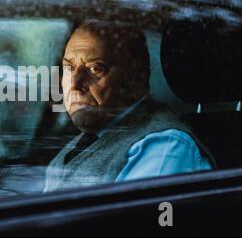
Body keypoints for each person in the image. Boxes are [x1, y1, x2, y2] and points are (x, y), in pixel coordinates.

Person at [44, 21, 214, 192]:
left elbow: (140, 218)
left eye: (95, 68)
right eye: (69, 68)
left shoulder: (164, 146)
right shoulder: (85, 138)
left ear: (137, 77)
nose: (74, 84)